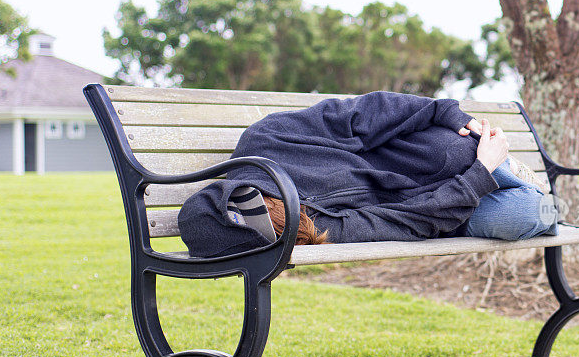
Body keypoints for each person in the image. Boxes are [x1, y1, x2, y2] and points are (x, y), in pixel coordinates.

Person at [178, 91, 558, 258]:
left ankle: (519, 181)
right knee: (524, 212)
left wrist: (446, 112)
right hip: (446, 206)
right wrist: (482, 173)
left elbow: (360, 113)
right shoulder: (320, 230)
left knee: (456, 151)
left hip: (428, 159)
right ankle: (542, 204)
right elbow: (411, 221)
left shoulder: (268, 138)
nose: (295, 222)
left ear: (235, 191)